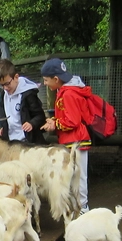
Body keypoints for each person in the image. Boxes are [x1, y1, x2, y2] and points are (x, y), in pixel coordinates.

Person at [40, 57, 92, 214]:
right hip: (72, 141)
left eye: (46, 80)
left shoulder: (68, 94)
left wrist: (55, 124)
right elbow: (67, 115)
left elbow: (73, 121)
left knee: (79, 177)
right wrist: (55, 121)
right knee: (73, 176)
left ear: (56, 79)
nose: (45, 84)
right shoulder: (64, 91)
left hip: (77, 141)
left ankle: (84, 209)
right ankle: (79, 208)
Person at [0, 58, 46, 144]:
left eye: (7, 83)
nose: (5, 88)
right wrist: (2, 127)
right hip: (11, 141)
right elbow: (3, 115)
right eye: (1, 85)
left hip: (28, 142)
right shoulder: (3, 94)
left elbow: (40, 116)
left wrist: (31, 123)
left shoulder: (28, 94)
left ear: (16, 77)